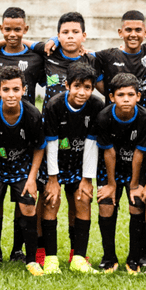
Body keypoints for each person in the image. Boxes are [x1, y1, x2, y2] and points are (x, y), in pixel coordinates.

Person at [0, 66, 47, 276]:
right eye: (6, 90)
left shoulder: (32, 114)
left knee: (28, 206)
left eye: (16, 89)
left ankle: (31, 260)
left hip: (22, 165)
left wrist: (32, 179)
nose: (11, 94)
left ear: (24, 89)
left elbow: (39, 148)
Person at [40, 61, 104, 274]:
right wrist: (52, 179)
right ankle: (50, 258)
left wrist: (87, 179)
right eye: (77, 86)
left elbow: (91, 143)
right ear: (67, 85)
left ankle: (78, 257)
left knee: (83, 199)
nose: (82, 92)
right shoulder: (53, 105)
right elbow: (51, 144)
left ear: (92, 88)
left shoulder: (96, 106)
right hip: (54, 162)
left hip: (80, 161)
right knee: (51, 200)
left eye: (87, 87)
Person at [93, 73, 146, 273]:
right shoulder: (104, 116)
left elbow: (139, 153)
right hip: (109, 167)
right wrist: (111, 185)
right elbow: (109, 152)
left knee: (136, 204)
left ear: (138, 96)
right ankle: (109, 257)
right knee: (106, 204)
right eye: (121, 95)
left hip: (135, 169)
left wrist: (134, 185)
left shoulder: (145, 117)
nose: (126, 99)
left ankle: (134, 258)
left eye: (131, 94)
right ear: (112, 97)